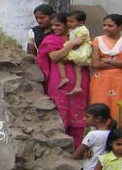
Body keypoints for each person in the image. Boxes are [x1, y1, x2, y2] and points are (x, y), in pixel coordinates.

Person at [35, 11, 89, 147]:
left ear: (68, 25)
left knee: (79, 112)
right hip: (58, 80)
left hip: (79, 79)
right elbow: (54, 57)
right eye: (53, 25)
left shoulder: (81, 37)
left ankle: (78, 148)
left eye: (58, 25)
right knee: (60, 111)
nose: (54, 28)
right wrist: (71, 45)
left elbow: (87, 55)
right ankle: (59, 146)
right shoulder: (51, 39)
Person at [90, 14, 122, 120]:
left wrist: (108, 61)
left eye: (110, 26)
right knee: (100, 105)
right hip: (102, 80)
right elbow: (96, 64)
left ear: (120, 27)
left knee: (121, 104)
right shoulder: (97, 40)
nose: (106, 28)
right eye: (104, 25)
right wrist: (120, 63)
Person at [57, 10, 91, 95]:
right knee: (77, 68)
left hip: (80, 52)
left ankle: (64, 78)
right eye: (67, 21)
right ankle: (77, 87)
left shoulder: (82, 31)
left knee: (60, 61)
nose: (68, 23)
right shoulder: (75, 29)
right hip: (81, 52)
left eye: (71, 21)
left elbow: (78, 43)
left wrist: (69, 47)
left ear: (81, 22)